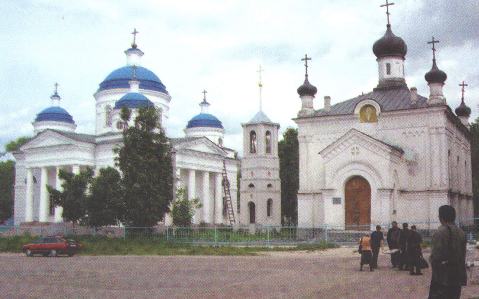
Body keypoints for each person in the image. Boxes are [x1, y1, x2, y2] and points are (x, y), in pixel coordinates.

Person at [428, 205, 467, 299]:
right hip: (457, 276)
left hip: (443, 277)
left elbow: (436, 257)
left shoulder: (440, 232)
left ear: (441, 217)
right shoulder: (461, 232)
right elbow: (463, 254)